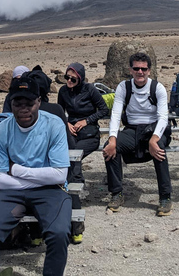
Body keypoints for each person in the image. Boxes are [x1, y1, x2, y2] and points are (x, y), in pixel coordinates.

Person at [0, 75, 71, 276]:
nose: (24, 108)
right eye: (18, 103)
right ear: (11, 103)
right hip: (12, 193)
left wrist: (18, 170)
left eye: (30, 103)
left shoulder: (54, 125)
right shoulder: (2, 130)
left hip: (50, 192)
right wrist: (34, 180)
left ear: (39, 102)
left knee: (59, 234)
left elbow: (60, 175)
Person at [103, 53, 172, 217]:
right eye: (136, 68)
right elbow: (116, 114)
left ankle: (165, 196)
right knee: (110, 148)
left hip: (154, 129)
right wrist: (113, 139)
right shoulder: (123, 88)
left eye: (143, 69)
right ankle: (116, 193)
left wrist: (154, 139)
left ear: (149, 70)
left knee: (159, 150)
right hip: (132, 129)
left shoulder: (158, 88)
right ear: (130, 70)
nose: (140, 72)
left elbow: (163, 117)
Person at [57, 62, 108, 243]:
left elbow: (103, 109)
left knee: (74, 156)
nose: (69, 81)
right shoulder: (63, 92)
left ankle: (74, 189)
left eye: (73, 78)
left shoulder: (90, 90)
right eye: (67, 77)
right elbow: (59, 113)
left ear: (80, 78)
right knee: (68, 156)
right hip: (71, 134)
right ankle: (73, 189)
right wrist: (67, 123)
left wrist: (86, 121)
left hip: (90, 135)